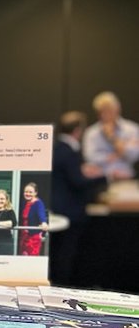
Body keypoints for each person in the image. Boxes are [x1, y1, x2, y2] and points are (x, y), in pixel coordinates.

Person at [50, 111, 106, 286]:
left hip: (58, 209)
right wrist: (103, 177)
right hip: (71, 212)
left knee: (58, 253)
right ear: (78, 130)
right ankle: (63, 287)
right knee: (66, 255)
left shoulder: (57, 148)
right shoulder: (69, 152)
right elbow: (77, 181)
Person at [83, 91, 139, 180]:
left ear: (117, 109)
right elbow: (90, 157)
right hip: (99, 180)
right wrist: (117, 154)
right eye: (102, 111)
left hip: (125, 178)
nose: (106, 114)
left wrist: (112, 138)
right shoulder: (91, 132)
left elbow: (134, 155)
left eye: (109, 110)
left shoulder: (131, 129)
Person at [18, 182, 49, 256]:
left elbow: (41, 215)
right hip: (24, 235)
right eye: (26, 192)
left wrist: (43, 223)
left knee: (32, 257)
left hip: (33, 236)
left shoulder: (38, 203)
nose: (27, 194)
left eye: (30, 192)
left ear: (35, 193)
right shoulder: (24, 202)